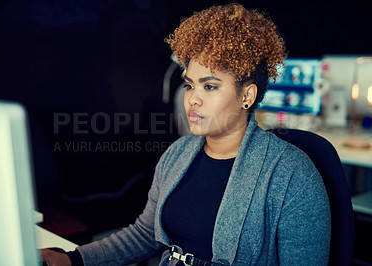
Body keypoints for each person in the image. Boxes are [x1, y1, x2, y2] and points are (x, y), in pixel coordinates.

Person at [41, 3, 331, 265]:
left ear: (247, 95)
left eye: (210, 86)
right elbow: (145, 234)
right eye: (190, 85)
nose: (192, 98)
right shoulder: (178, 153)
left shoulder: (292, 175)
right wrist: (73, 260)